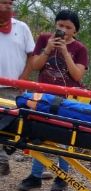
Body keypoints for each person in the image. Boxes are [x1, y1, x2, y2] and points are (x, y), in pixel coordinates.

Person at [17, 9, 88, 191]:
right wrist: (48, 49)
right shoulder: (44, 39)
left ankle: (62, 176)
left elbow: (77, 75)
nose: (63, 30)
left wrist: (65, 52)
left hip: (66, 100)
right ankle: (35, 175)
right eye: (60, 25)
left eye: (68, 27)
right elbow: (35, 65)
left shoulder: (80, 49)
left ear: (75, 30)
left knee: (64, 138)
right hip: (42, 96)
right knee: (38, 135)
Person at [0, 0, 35, 176]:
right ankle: (2, 162)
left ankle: (4, 158)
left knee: (9, 126)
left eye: (10, 3)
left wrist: (24, 79)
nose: (8, 6)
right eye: (3, 2)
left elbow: (32, 56)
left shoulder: (21, 27)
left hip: (13, 87)